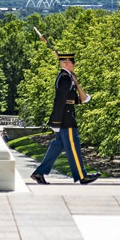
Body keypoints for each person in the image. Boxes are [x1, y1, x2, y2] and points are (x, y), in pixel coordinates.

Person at [30, 53, 100, 185]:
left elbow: (83, 99)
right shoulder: (64, 78)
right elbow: (60, 101)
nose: (74, 65)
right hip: (65, 119)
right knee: (74, 147)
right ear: (69, 64)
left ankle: (39, 173)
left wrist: (77, 82)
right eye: (73, 63)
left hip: (66, 116)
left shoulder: (68, 77)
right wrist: (56, 121)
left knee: (57, 146)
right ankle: (82, 176)